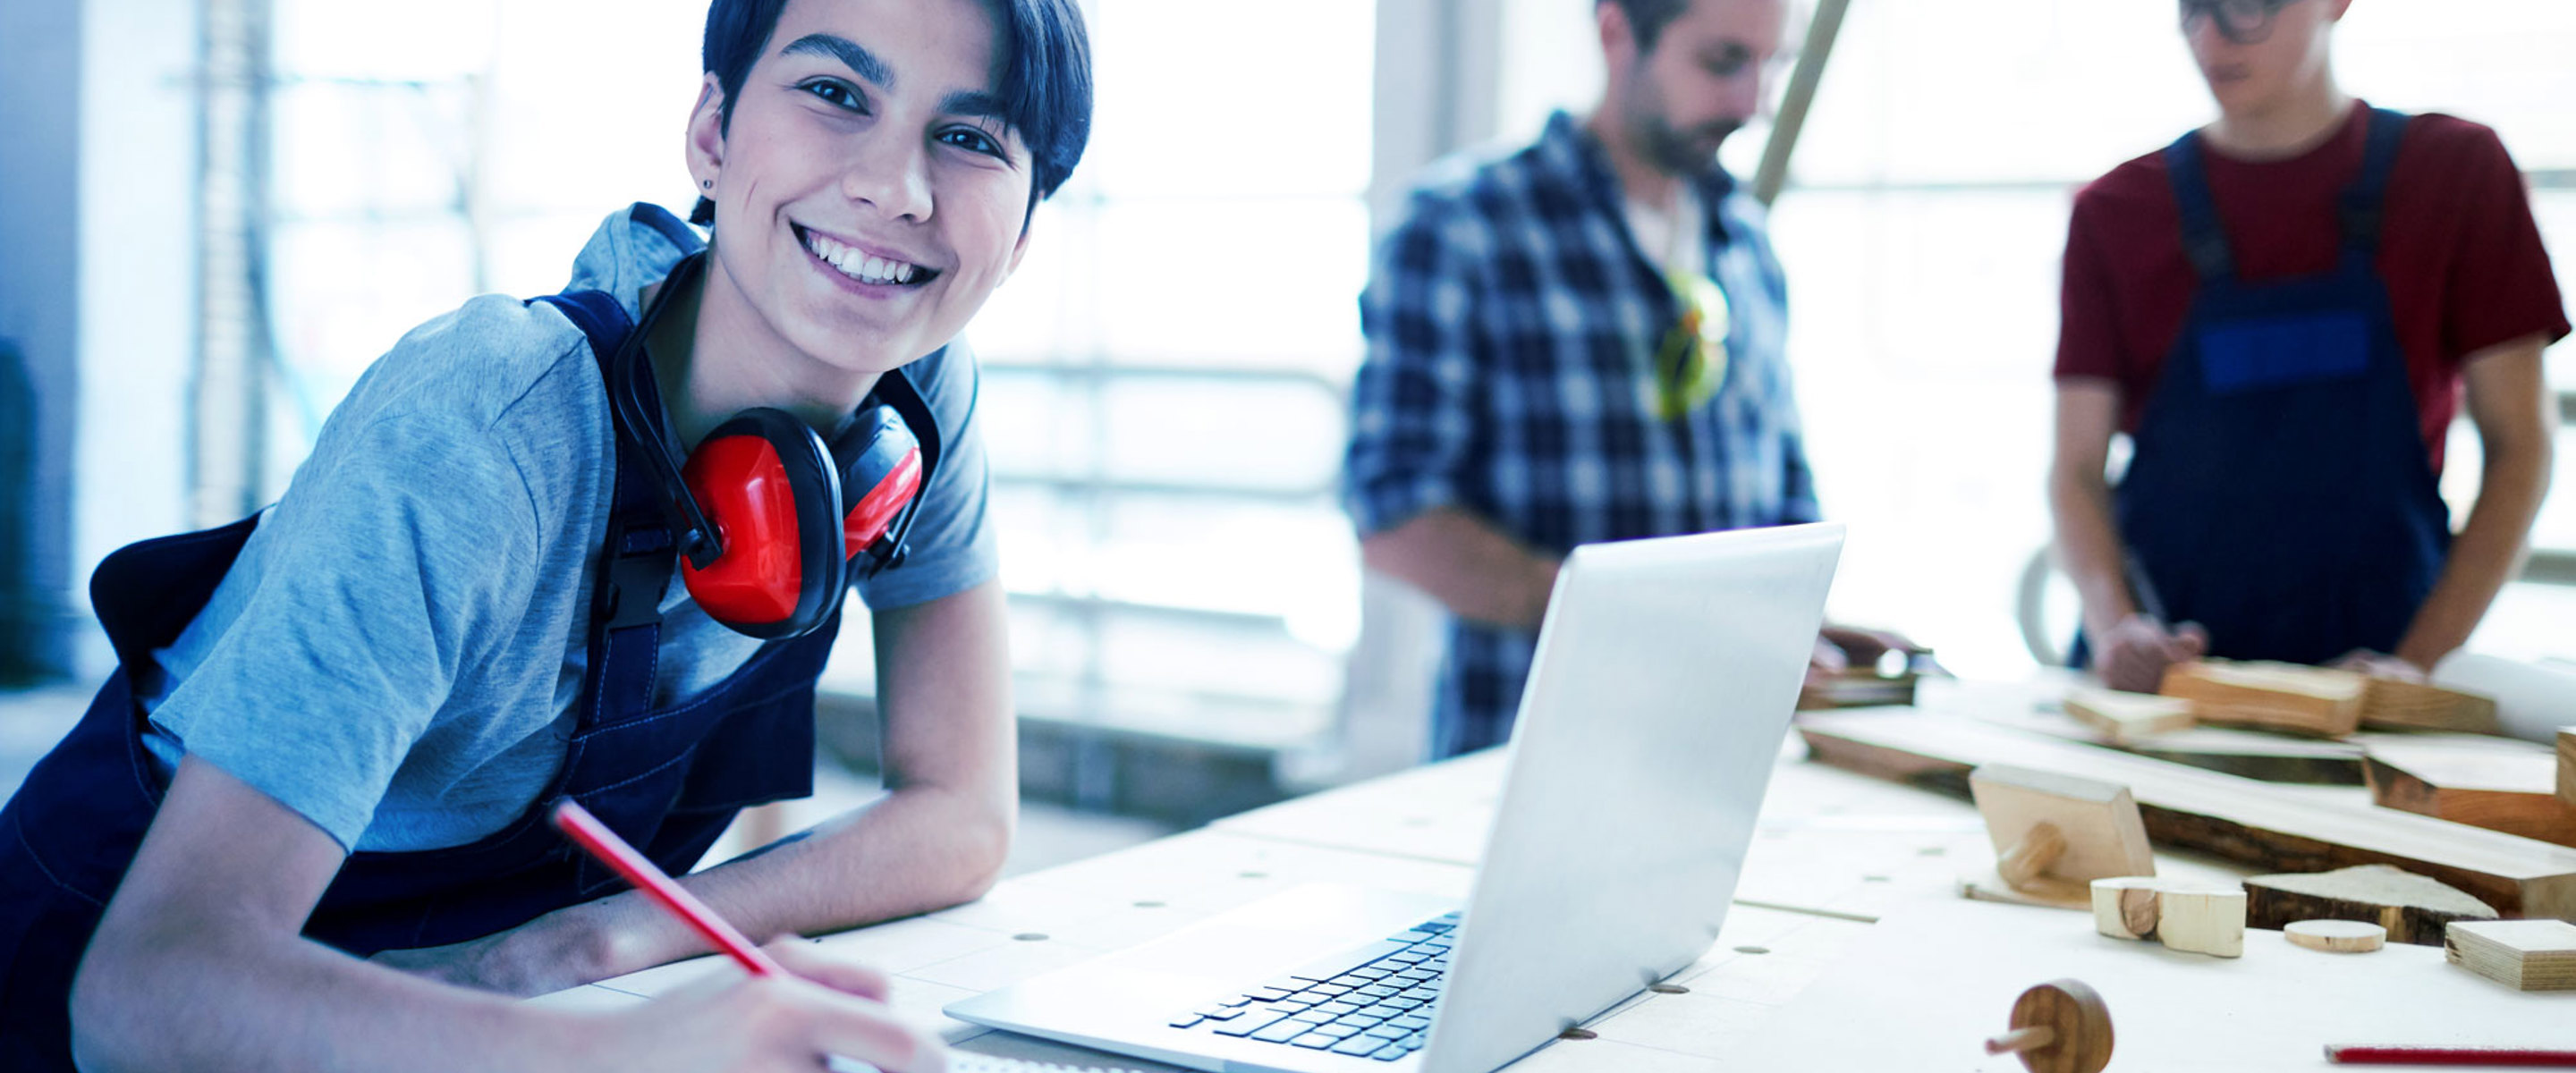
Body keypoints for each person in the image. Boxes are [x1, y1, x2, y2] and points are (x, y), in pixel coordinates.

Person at [0, 0, 1091, 1069]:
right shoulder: (485, 426)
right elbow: (146, 992)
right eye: (833, 92)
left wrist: (594, 944)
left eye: (967, 138)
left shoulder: (917, 404)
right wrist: (612, 1045)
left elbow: (964, 813)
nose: (894, 190)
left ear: (1029, 225)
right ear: (711, 134)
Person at [1344, 0, 1908, 760]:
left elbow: (1782, 484)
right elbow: (1395, 514)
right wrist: (1660, 624)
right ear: (1616, 33)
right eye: (1721, 62)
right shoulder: (1462, 226)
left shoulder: (1743, 239)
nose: (1752, 103)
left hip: (1721, 759)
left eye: (1769, 64)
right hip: (1531, 756)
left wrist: (1798, 625)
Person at [2048, 0, 2564, 693]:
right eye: (2192, 8)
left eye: (2248, 7)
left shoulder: (2458, 173)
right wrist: (2118, 628)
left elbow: (2520, 448)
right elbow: (2075, 470)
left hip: (2377, 686)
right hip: (2166, 693)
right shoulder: (2112, 212)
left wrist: (2416, 665)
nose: (2210, 35)